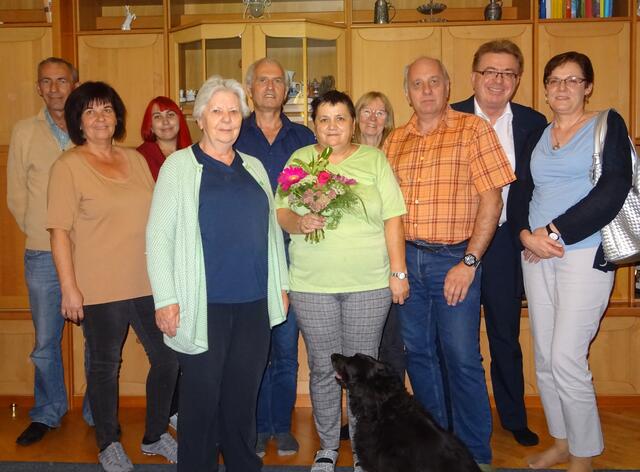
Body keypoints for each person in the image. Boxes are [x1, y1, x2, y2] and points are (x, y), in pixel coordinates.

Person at [146, 75, 290, 472]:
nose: (226, 119)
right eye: (217, 111)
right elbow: (158, 237)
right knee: (201, 403)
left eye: (232, 112)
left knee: (243, 399)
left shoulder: (256, 167)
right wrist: (166, 298)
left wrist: (281, 285)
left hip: (254, 304)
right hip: (201, 305)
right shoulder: (178, 167)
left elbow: (271, 232)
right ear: (200, 118)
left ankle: (245, 465)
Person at [383, 56, 515, 471]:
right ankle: (437, 450)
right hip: (409, 259)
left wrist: (470, 261)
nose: (426, 91)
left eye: (434, 82)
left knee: (461, 357)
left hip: (454, 261)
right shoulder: (394, 141)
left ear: (448, 85)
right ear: (407, 91)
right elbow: (388, 211)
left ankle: (476, 454)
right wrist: (397, 267)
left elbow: (493, 200)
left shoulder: (473, 130)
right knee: (419, 355)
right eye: (417, 83)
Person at [508, 51, 632, 472]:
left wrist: (554, 231)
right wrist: (526, 234)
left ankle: (584, 456)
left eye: (572, 80)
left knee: (565, 357)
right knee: (544, 357)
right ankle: (561, 442)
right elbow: (521, 192)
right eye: (554, 80)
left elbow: (614, 187)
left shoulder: (606, 124)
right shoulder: (538, 135)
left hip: (584, 252)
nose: (562, 88)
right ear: (544, 88)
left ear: (588, 86)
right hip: (536, 255)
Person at [46, 81, 179, 472]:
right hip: (99, 287)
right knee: (105, 366)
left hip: (147, 281)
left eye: (106, 109)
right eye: (90, 111)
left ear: (117, 116)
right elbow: (58, 233)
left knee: (169, 358)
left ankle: (154, 435)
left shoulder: (136, 160)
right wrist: (69, 289)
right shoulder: (67, 166)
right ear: (79, 122)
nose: (100, 117)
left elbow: (158, 220)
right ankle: (108, 442)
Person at [275, 90, 409, 472]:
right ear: (313, 124)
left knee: (364, 373)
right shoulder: (300, 160)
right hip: (312, 284)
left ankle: (365, 453)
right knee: (322, 368)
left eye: (340, 119)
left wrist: (398, 273)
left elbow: (393, 218)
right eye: (324, 119)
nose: (332, 126)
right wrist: (298, 223)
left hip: (368, 283)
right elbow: (280, 210)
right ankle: (328, 447)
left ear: (352, 123)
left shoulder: (374, 159)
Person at [451, 40, 547, 447]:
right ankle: (454, 419)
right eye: (490, 71)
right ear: (474, 76)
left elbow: (541, 184)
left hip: (508, 243)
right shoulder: (450, 116)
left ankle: (513, 417)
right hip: (456, 243)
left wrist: (533, 232)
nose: (497, 80)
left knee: (505, 335)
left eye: (507, 73)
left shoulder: (532, 122)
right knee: (457, 337)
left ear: (518, 80)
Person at [6, 56, 93, 446]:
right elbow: (16, 196)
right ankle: (47, 411)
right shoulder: (24, 131)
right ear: (38, 88)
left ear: (75, 84)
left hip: (92, 254)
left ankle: (98, 411)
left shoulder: (92, 127)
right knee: (44, 341)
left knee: (99, 338)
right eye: (47, 82)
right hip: (42, 254)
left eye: (62, 80)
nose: (55, 88)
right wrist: (43, 234)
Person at [235, 57, 315, 457]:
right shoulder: (233, 134)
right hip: (245, 263)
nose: (270, 87)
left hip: (292, 261)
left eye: (277, 81)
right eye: (262, 80)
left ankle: (279, 426)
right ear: (250, 88)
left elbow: (319, 192)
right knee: (251, 353)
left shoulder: (304, 139)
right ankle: (253, 426)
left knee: (284, 350)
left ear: (287, 90)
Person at [137, 96, 192, 181]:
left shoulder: (192, 154)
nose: (165, 121)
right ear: (151, 126)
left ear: (179, 120)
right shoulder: (140, 157)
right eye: (157, 116)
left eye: (170, 115)